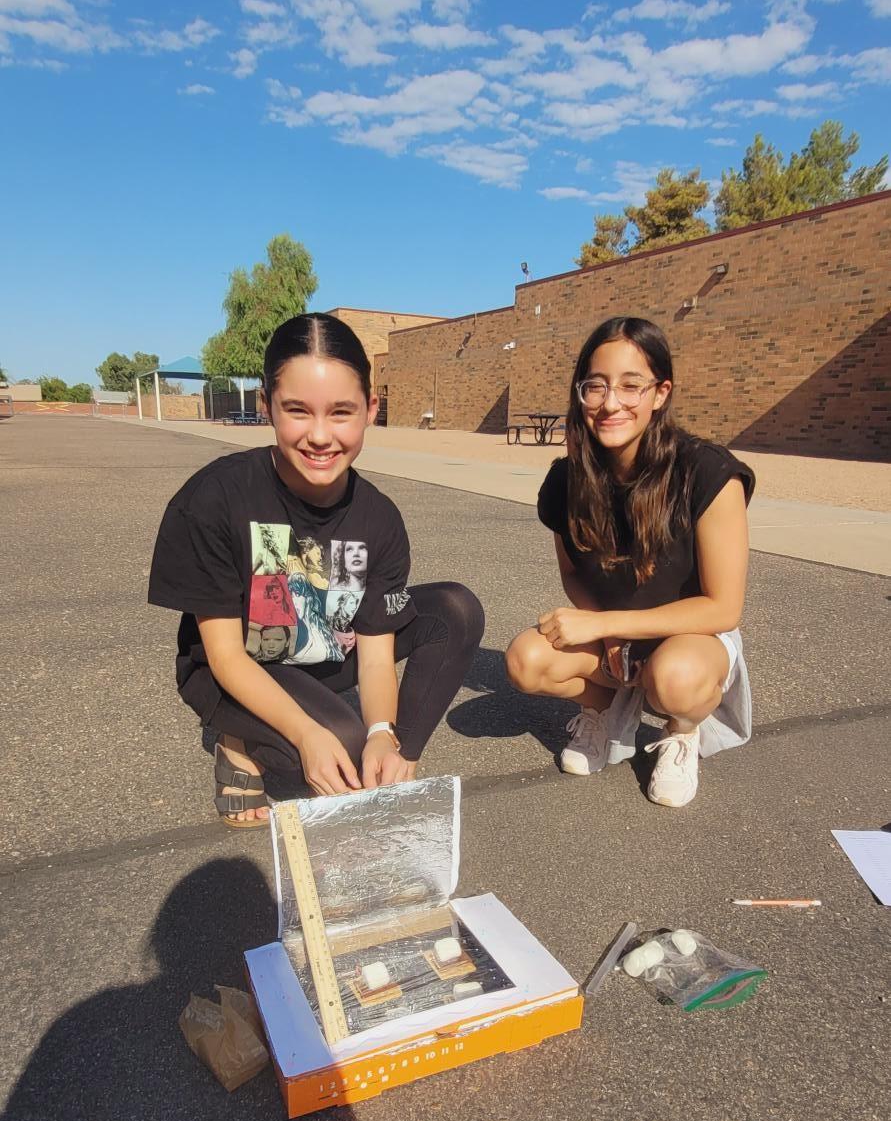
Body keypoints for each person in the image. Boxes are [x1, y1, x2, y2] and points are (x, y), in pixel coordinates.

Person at [149, 312, 484, 828]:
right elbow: (224, 657)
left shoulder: (380, 518)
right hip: (240, 665)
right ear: (266, 406)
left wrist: (382, 732)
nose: (321, 436)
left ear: (371, 409)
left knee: (454, 611)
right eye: (298, 411)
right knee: (335, 744)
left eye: (342, 412)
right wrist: (307, 734)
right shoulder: (215, 499)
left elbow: (375, 658)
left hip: (324, 652)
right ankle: (238, 742)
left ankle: (394, 767)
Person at [505, 316, 755, 809]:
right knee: (525, 659)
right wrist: (609, 631)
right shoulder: (567, 479)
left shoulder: (707, 472)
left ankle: (683, 732)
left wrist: (608, 623)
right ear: (581, 393)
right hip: (615, 635)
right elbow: (574, 574)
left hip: (692, 640)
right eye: (595, 386)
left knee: (675, 679)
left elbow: (723, 608)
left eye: (630, 385)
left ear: (660, 393)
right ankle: (601, 712)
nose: (610, 402)